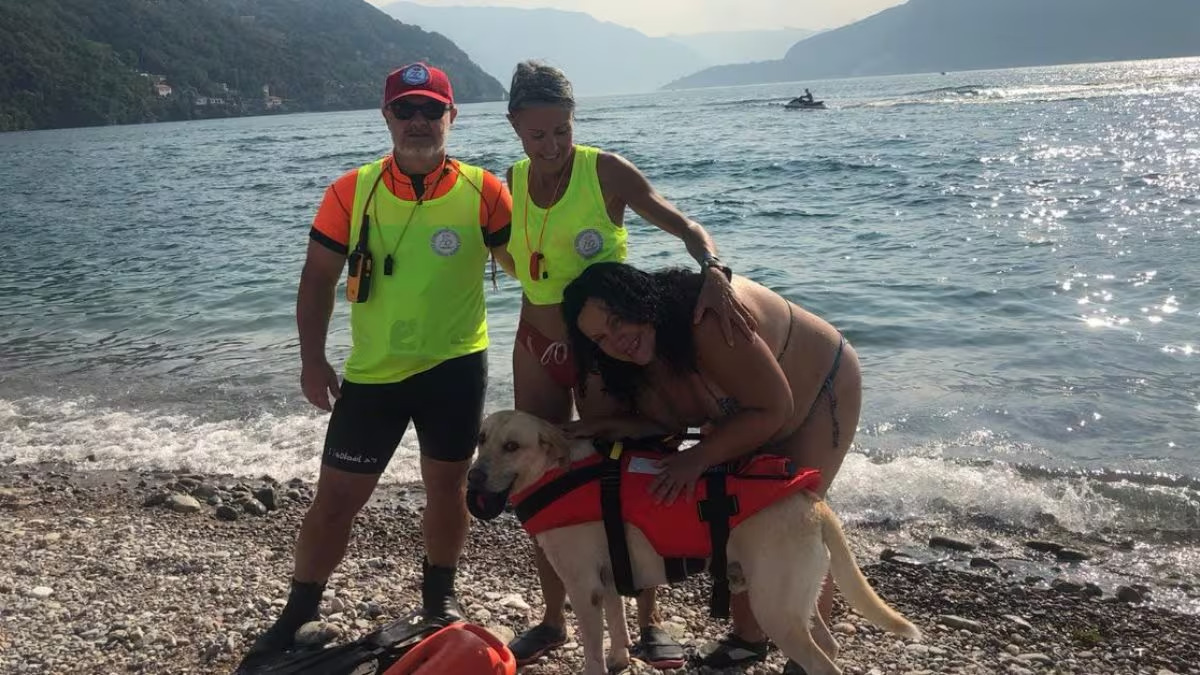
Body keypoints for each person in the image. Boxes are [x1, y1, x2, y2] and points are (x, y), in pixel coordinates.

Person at [236, 62, 515, 669]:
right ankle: (298, 611)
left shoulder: (485, 190)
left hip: (454, 368)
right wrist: (312, 359)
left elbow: (526, 268)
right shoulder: (351, 190)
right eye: (405, 110)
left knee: (446, 488)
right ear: (386, 116)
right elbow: (316, 280)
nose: (418, 122)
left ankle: (440, 600)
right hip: (374, 376)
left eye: (430, 110)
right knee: (334, 500)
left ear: (452, 116)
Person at [501, 60, 755, 669]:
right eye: (538, 135)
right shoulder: (507, 181)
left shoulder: (605, 172)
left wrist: (713, 269)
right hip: (536, 347)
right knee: (537, 483)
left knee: (619, 480)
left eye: (561, 130)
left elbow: (682, 224)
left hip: (602, 356)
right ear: (514, 127)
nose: (553, 145)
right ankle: (554, 617)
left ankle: (649, 620)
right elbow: (518, 260)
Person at [561, 261, 862, 672]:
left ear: (639, 300)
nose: (616, 340)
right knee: (739, 517)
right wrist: (599, 426)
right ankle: (748, 639)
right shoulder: (640, 355)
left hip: (815, 389)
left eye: (618, 320)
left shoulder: (704, 320)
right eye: (600, 337)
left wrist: (697, 458)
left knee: (792, 520)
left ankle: (809, 655)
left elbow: (775, 407)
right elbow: (668, 422)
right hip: (749, 408)